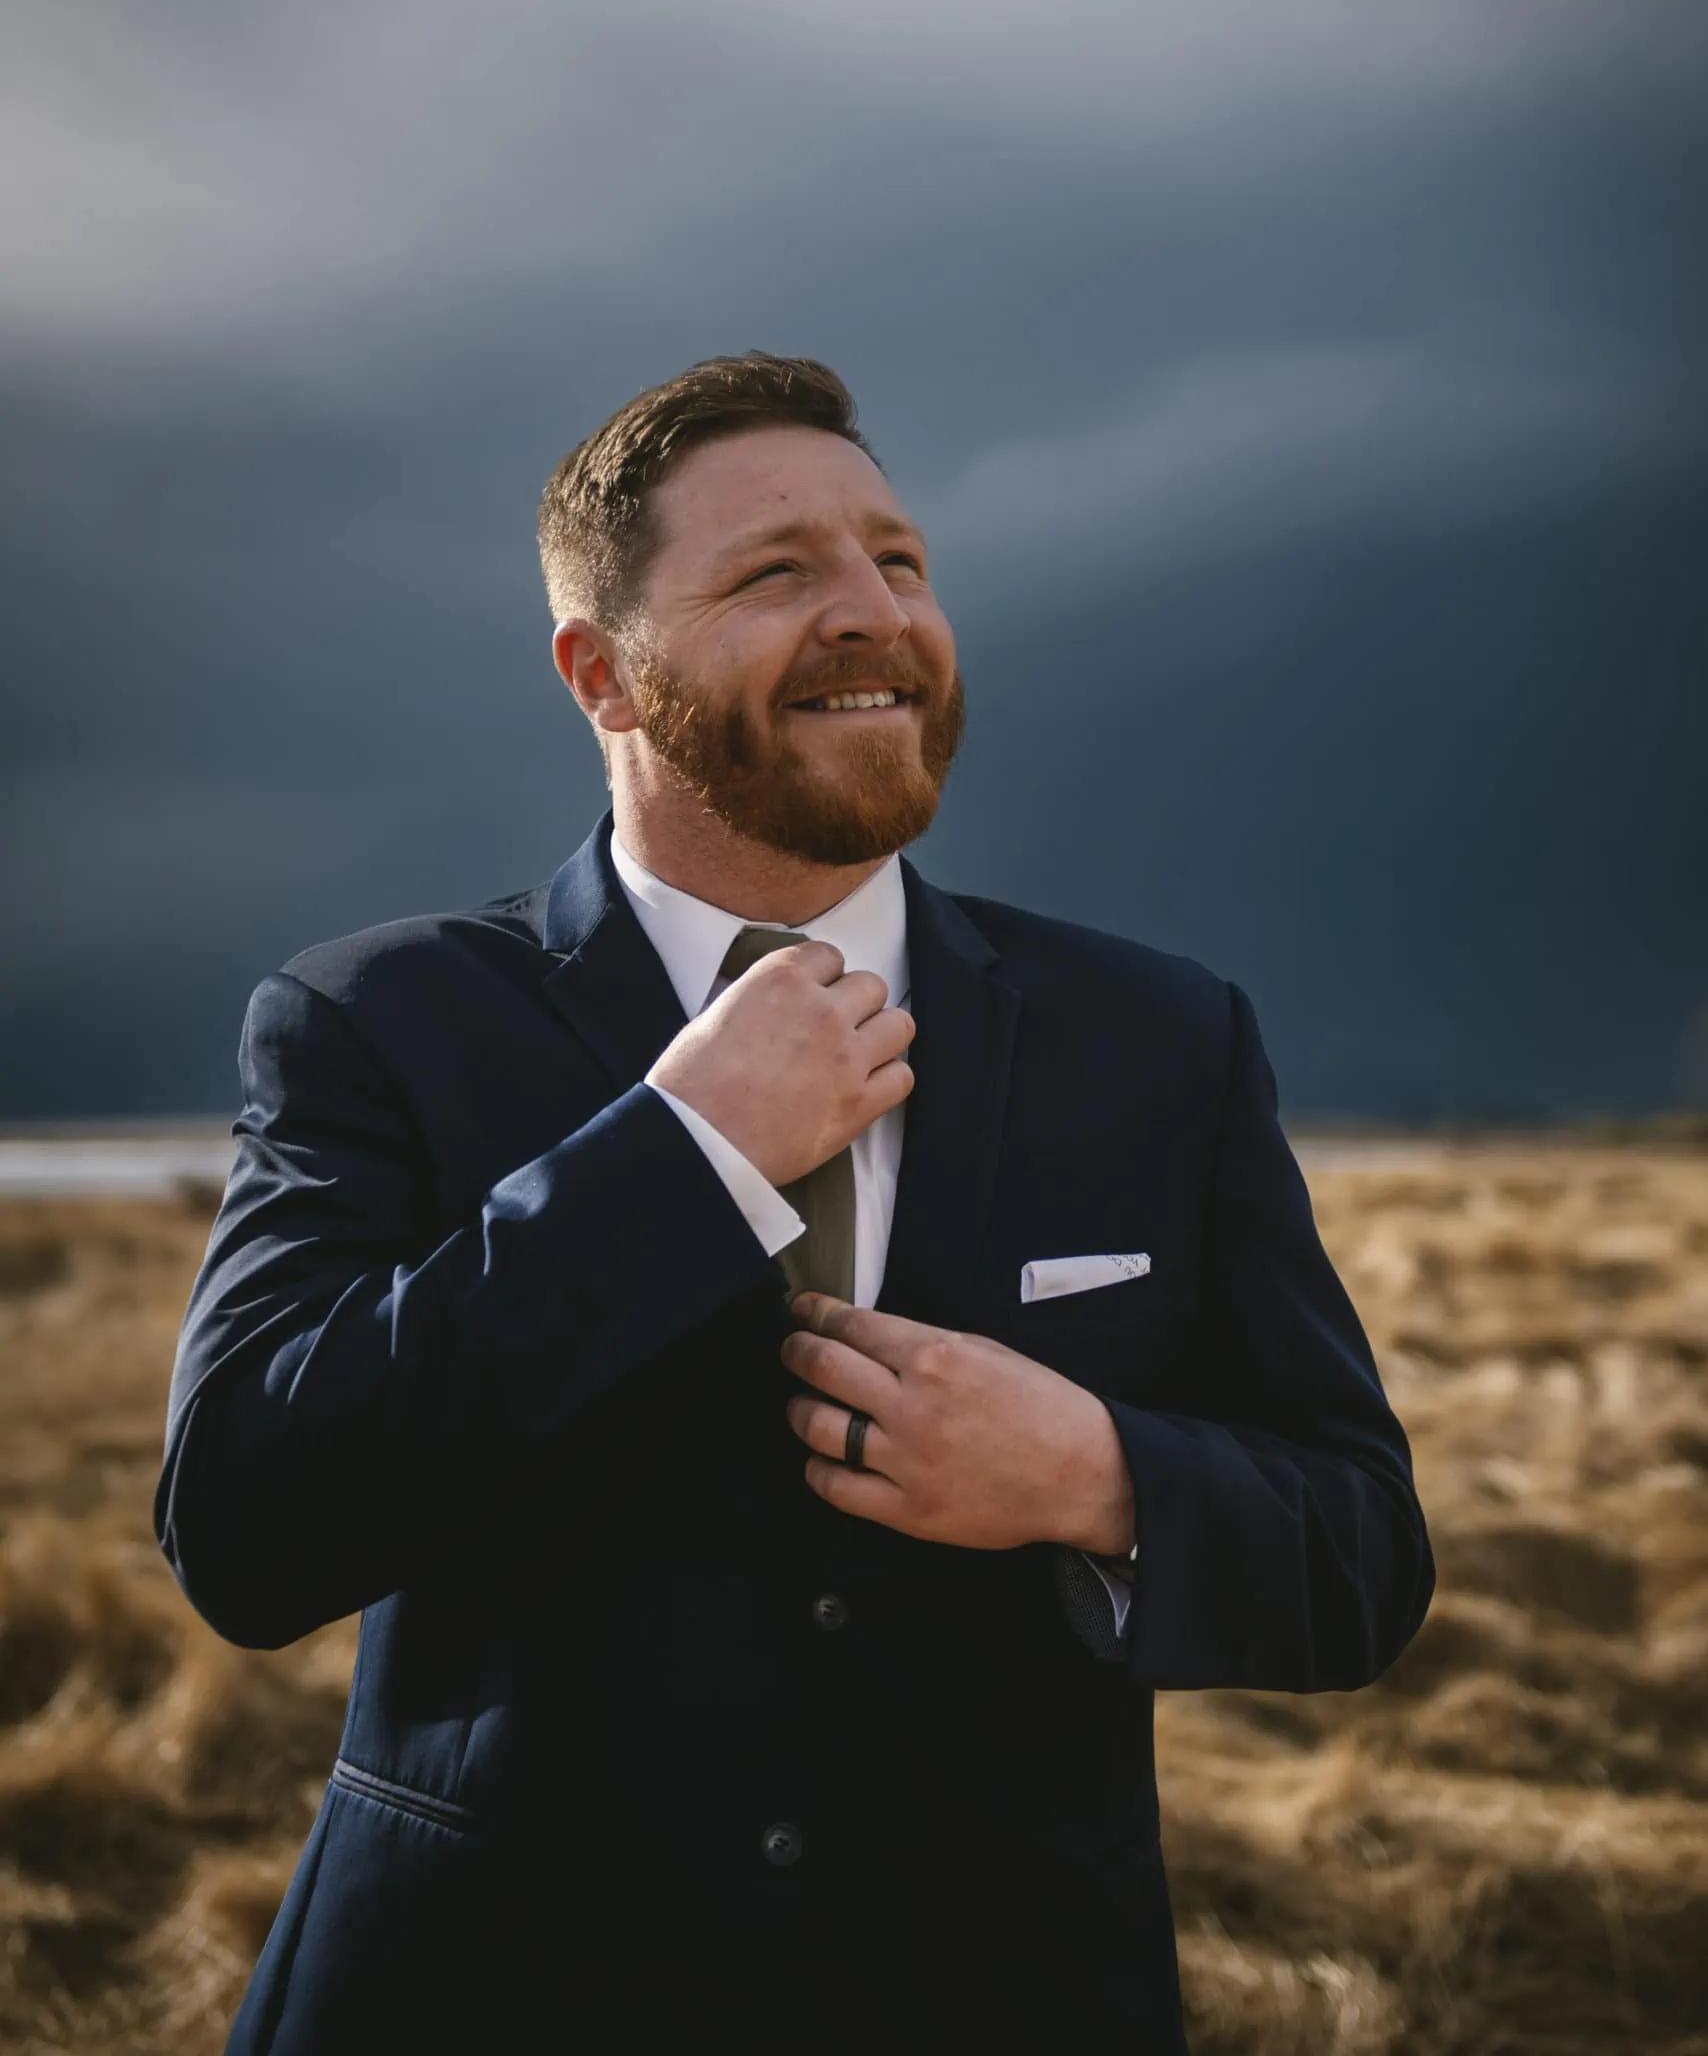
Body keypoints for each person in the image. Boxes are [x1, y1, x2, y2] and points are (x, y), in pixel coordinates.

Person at [156, 353, 1433, 2055]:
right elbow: (244, 1528)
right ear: (604, 675)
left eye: (897, 562)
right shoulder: (372, 1024)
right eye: (776, 574)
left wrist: (1096, 1476)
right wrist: (680, 1152)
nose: (872, 613)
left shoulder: (1165, 1038)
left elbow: (1361, 1559)